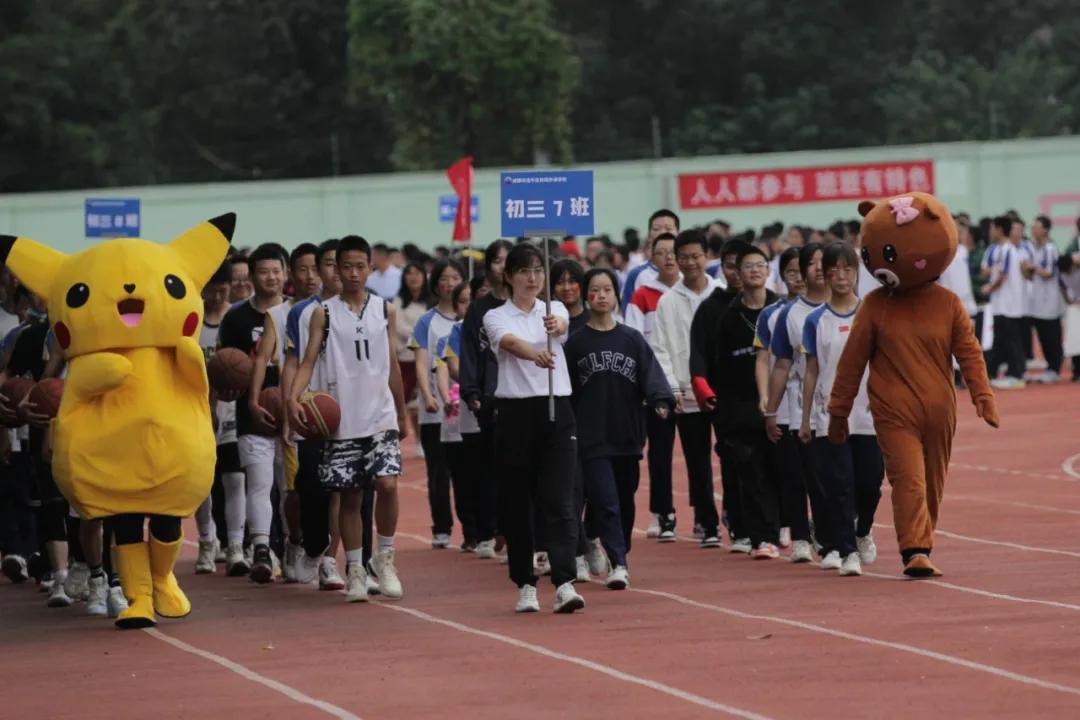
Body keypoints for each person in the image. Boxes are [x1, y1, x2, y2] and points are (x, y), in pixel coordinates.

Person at [289, 235, 408, 602]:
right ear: (337, 270)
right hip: (342, 419)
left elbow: (391, 364)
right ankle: (355, 568)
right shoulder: (322, 313)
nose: (355, 273)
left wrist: (402, 413)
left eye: (361, 266)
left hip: (380, 415)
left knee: (387, 485)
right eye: (347, 266)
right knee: (351, 497)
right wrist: (293, 398)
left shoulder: (384, 309)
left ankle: (384, 558)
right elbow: (308, 360)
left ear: (370, 268)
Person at [482, 243, 584, 614]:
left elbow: (563, 324)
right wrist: (534, 353)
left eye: (539, 271)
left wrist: (556, 326)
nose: (533, 278)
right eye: (524, 271)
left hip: (558, 409)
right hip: (515, 413)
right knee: (516, 502)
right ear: (508, 276)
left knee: (559, 498)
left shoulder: (554, 310)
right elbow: (508, 343)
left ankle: (565, 582)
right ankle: (525, 582)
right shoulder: (496, 316)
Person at [565, 268, 673, 589]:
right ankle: (620, 564)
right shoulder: (576, 343)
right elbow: (566, 389)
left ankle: (609, 546)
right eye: (595, 290)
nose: (601, 295)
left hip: (627, 434)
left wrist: (661, 399)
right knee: (607, 500)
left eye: (607, 290)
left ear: (616, 295)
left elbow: (651, 375)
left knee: (624, 501)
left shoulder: (631, 339)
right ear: (586, 295)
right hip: (591, 436)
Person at [799, 243, 884, 577]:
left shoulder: (872, 314)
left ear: (857, 273)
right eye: (835, 270)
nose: (842, 276)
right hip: (830, 415)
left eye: (849, 270)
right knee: (839, 484)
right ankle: (846, 550)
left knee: (870, 485)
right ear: (827, 274)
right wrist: (805, 418)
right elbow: (811, 370)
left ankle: (862, 531)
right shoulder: (816, 320)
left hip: (869, 414)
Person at [692, 244, 780, 558]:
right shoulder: (724, 316)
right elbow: (713, 360)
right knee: (750, 471)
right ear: (736, 274)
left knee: (780, 471)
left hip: (780, 404)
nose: (753, 271)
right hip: (739, 406)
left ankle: (784, 528)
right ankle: (759, 536)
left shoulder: (779, 309)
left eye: (760, 265)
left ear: (769, 270)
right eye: (745, 266)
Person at [281, 239, 351, 592]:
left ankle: (330, 560)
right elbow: (294, 361)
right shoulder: (303, 313)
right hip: (314, 411)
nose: (334, 271)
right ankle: (309, 544)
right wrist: (290, 405)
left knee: (344, 488)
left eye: (340, 264)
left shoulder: (367, 310)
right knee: (310, 486)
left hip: (352, 412)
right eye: (326, 264)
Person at [217, 243, 287, 583]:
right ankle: (260, 546)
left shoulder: (300, 314)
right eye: (264, 271)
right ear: (252, 276)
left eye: (276, 270)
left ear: (284, 274)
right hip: (251, 411)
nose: (271, 277)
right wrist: (225, 390)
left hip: (292, 411)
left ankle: (291, 545)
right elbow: (224, 364)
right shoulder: (236, 318)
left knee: (290, 488)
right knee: (258, 482)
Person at [650, 230, 721, 547]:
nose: (691, 263)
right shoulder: (667, 302)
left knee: (733, 458)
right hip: (686, 390)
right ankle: (708, 522)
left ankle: (737, 516)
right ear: (675, 261)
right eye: (684, 257)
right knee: (698, 460)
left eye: (696, 256)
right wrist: (672, 386)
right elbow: (660, 347)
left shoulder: (721, 294)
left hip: (723, 390)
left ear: (706, 257)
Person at [764, 242, 832, 562]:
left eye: (824, 262)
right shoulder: (787, 315)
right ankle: (804, 537)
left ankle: (837, 530)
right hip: (800, 407)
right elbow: (780, 364)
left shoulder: (851, 306)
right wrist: (772, 410)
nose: (818, 269)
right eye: (812, 264)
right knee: (800, 474)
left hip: (845, 407)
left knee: (840, 477)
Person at [753, 247, 813, 561]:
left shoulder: (832, 309)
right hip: (789, 404)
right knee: (792, 474)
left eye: (803, 270)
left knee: (825, 475)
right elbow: (766, 360)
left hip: (825, 406)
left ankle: (829, 531)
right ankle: (799, 533)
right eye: (791, 272)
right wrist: (767, 399)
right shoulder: (772, 314)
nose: (798, 278)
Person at [689, 239, 746, 548]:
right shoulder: (711, 307)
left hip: (763, 396)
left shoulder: (769, 304)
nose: (737, 272)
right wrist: (701, 384)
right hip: (725, 397)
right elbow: (698, 351)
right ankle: (737, 522)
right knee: (732, 459)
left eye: (743, 265)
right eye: (730, 266)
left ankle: (771, 522)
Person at [459, 240, 514, 560]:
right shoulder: (480, 310)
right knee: (495, 469)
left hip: (524, 395)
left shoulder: (530, 305)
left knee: (519, 469)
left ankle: (516, 532)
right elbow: (469, 352)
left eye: (509, 261)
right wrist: (472, 392)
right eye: (497, 261)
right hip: (491, 400)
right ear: (488, 267)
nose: (503, 267)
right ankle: (497, 531)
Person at [625, 232, 679, 539]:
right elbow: (634, 341)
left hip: (691, 384)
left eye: (674, 252)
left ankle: (704, 516)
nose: (669, 258)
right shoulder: (642, 295)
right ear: (652, 259)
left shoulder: (696, 293)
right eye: (662, 253)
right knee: (658, 451)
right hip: (654, 386)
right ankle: (662, 511)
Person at [410, 259, 465, 548]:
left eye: (456, 277)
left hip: (468, 409)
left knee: (467, 471)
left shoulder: (471, 318)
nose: (450, 283)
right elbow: (421, 362)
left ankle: (474, 529)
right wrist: (428, 395)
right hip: (435, 410)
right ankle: (441, 527)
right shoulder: (426, 321)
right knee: (438, 472)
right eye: (445, 278)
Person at [195, 262, 233, 573]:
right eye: (213, 290)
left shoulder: (234, 318)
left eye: (224, 289)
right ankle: (207, 542)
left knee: (234, 478)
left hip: (231, 408)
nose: (218, 295)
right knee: (202, 483)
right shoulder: (190, 319)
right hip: (196, 410)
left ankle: (236, 544)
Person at [985, 216, 1027, 388]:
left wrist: (989, 288)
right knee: (1002, 340)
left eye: (993, 228)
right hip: (1000, 304)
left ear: (1000, 230)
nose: (991, 232)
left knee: (1012, 340)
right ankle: (998, 372)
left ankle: (1016, 375)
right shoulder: (999, 249)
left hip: (1009, 304)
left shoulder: (1009, 250)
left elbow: (1003, 275)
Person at [394, 262, 432, 439]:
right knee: (404, 400)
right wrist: (420, 334)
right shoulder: (399, 301)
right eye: (409, 273)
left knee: (423, 401)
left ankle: (420, 440)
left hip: (428, 357)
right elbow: (399, 327)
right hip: (406, 357)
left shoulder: (431, 301)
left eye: (418, 273)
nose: (414, 277)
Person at [1023, 216, 1063, 383]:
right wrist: (1026, 269)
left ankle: (1055, 368)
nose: (1033, 230)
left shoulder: (1050, 249)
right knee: (1042, 336)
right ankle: (1049, 366)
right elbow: (1029, 275)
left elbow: (1048, 273)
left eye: (1037, 227)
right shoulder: (1033, 249)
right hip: (1036, 301)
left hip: (1050, 301)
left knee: (1052, 336)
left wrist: (1033, 268)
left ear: (1045, 230)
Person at [621, 210, 680, 310]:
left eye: (668, 229)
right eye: (656, 229)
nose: (662, 233)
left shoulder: (688, 270)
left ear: (678, 233)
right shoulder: (636, 275)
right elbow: (628, 312)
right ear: (649, 234)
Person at [551, 259, 589, 335]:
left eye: (572, 281)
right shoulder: (548, 321)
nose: (566, 288)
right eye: (560, 282)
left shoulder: (592, 320)